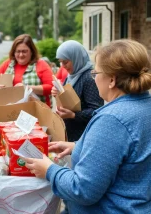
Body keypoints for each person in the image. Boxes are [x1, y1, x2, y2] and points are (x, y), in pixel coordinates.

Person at [23, 39, 151, 213]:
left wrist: (49, 170)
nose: (94, 77)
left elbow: (82, 190)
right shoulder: (144, 106)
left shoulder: (112, 120)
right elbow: (127, 154)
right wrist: (78, 146)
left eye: (95, 72)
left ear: (112, 80)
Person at [52, 40, 103, 142]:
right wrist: (58, 94)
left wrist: (73, 115)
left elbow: (97, 111)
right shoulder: (71, 75)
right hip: (72, 134)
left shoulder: (89, 78)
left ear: (76, 58)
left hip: (84, 137)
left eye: (65, 62)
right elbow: (70, 99)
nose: (62, 66)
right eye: (60, 62)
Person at [0, 34, 53, 106]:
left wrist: (27, 88)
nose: (21, 55)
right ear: (13, 52)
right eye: (18, 51)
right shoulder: (8, 64)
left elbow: (51, 87)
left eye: (24, 51)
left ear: (31, 51)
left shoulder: (41, 64)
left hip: (37, 111)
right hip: (12, 111)